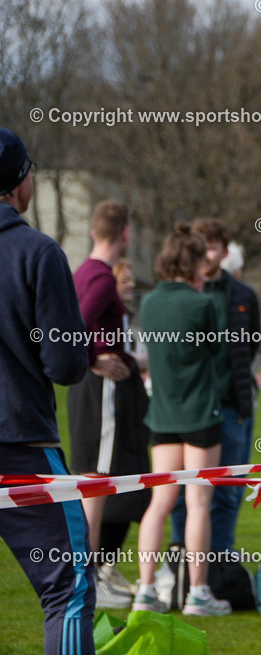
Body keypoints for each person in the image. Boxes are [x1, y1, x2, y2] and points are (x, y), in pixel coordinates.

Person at [0, 128, 94, 653]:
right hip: (21, 448)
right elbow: (65, 365)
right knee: (69, 588)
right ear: (18, 184)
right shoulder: (37, 252)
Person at [133, 224, 230, 616]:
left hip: (162, 414)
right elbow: (217, 352)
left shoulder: (149, 303)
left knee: (159, 502)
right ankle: (197, 592)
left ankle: (145, 589)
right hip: (199, 414)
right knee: (199, 503)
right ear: (192, 263)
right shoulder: (202, 303)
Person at [67, 201, 149, 609]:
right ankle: (88, 579)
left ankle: (90, 575)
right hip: (102, 391)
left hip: (92, 387)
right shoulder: (99, 278)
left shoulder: (81, 271)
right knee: (96, 484)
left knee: (93, 482)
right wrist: (94, 358)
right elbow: (73, 326)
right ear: (125, 233)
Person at [169, 219, 261, 555]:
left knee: (228, 490)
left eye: (214, 246)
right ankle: (181, 559)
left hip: (231, 407)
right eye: (202, 245)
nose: (207, 254)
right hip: (188, 409)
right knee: (183, 491)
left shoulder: (243, 295)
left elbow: (248, 347)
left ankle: (221, 559)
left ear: (225, 251)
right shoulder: (178, 292)